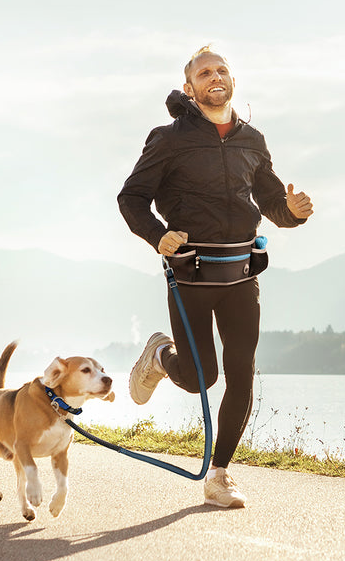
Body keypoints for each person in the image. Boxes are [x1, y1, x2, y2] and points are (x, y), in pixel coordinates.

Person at [118, 46, 314, 508]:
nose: (215, 76)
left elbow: (269, 201)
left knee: (241, 373)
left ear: (232, 79)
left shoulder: (253, 140)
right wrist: (158, 236)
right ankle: (161, 355)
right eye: (205, 72)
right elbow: (131, 198)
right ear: (190, 88)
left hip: (242, 274)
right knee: (201, 376)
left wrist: (291, 212)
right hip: (191, 273)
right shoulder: (168, 139)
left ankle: (220, 475)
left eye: (222, 69)